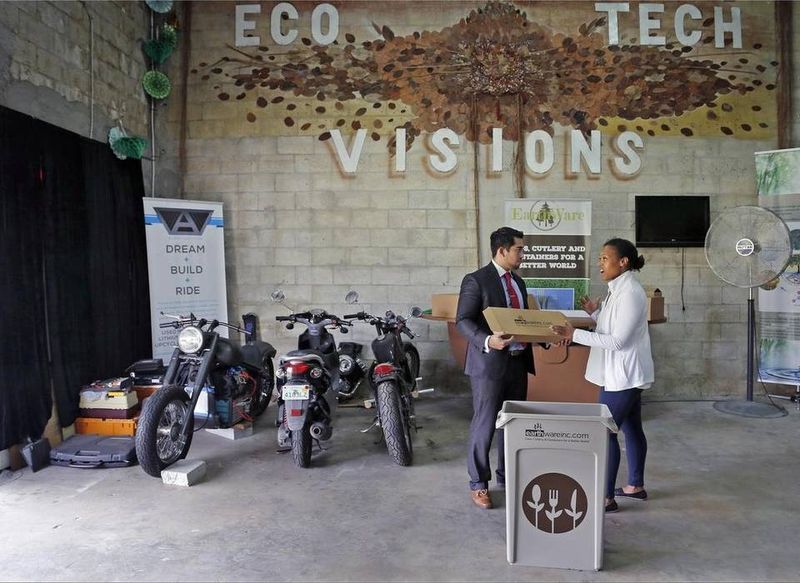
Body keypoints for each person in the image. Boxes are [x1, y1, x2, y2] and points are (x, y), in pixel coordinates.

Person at [550, 238, 654, 513]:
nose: (600, 263)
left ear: (623, 262)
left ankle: (606, 498)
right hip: (621, 374)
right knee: (631, 428)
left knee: (603, 430)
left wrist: (574, 334)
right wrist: (595, 313)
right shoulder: (618, 289)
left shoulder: (630, 292)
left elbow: (618, 341)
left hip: (623, 376)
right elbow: (612, 326)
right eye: (600, 258)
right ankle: (635, 486)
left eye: (605, 258)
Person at [456, 226, 535, 510]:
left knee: (512, 423)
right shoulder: (477, 280)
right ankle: (478, 484)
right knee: (486, 423)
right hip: (488, 365)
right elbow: (463, 320)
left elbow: (523, 321)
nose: (523, 254)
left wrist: (544, 337)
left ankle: (507, 476)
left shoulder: (519, 283)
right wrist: (488, 340)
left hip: (518, 363)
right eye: (519, 249)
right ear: (502, 250)